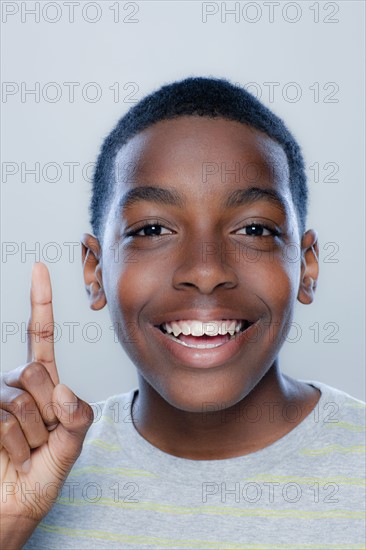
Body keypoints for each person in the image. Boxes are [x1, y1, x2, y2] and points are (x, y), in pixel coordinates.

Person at [1, 77, 365, 549]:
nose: (206, 270)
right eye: (152, 228)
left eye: (254, 229)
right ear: (95, 271)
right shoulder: (30, 469)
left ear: (307, 266)